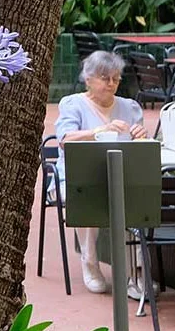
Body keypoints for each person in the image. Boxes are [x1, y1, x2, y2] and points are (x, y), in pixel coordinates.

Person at [55, 50, 147, 294]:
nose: (111, 84)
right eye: (105, 78)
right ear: (88, 79)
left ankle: (135, 272)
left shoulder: (129, 107)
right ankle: (90, 263)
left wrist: (141, 135)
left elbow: (141, 147)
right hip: (77, 178)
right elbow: (64, 139)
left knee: (139, 199)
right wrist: (99, 131)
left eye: (116, 78)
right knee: (88, 196)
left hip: (121, 177)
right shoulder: (73, 104)